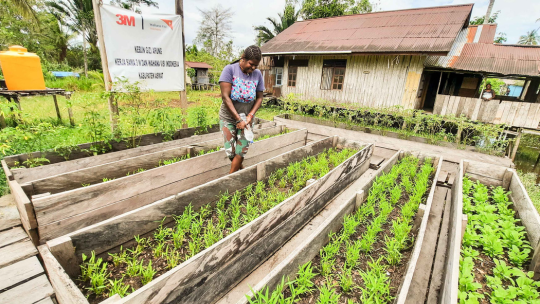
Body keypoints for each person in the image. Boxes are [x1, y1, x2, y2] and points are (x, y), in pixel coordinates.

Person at [219, 45, 265, 174]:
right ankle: (241, 171)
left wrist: (250, 115)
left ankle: (230, 179)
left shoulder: (257, 74)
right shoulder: (230, 70)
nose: (253, 68)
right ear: (243, 58)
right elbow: (225, 97)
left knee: (242, 150)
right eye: (251, 64)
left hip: (247, 118)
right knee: (231, 152)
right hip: (228, 117)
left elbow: (260, 98)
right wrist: (238, 119)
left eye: (256, 65)